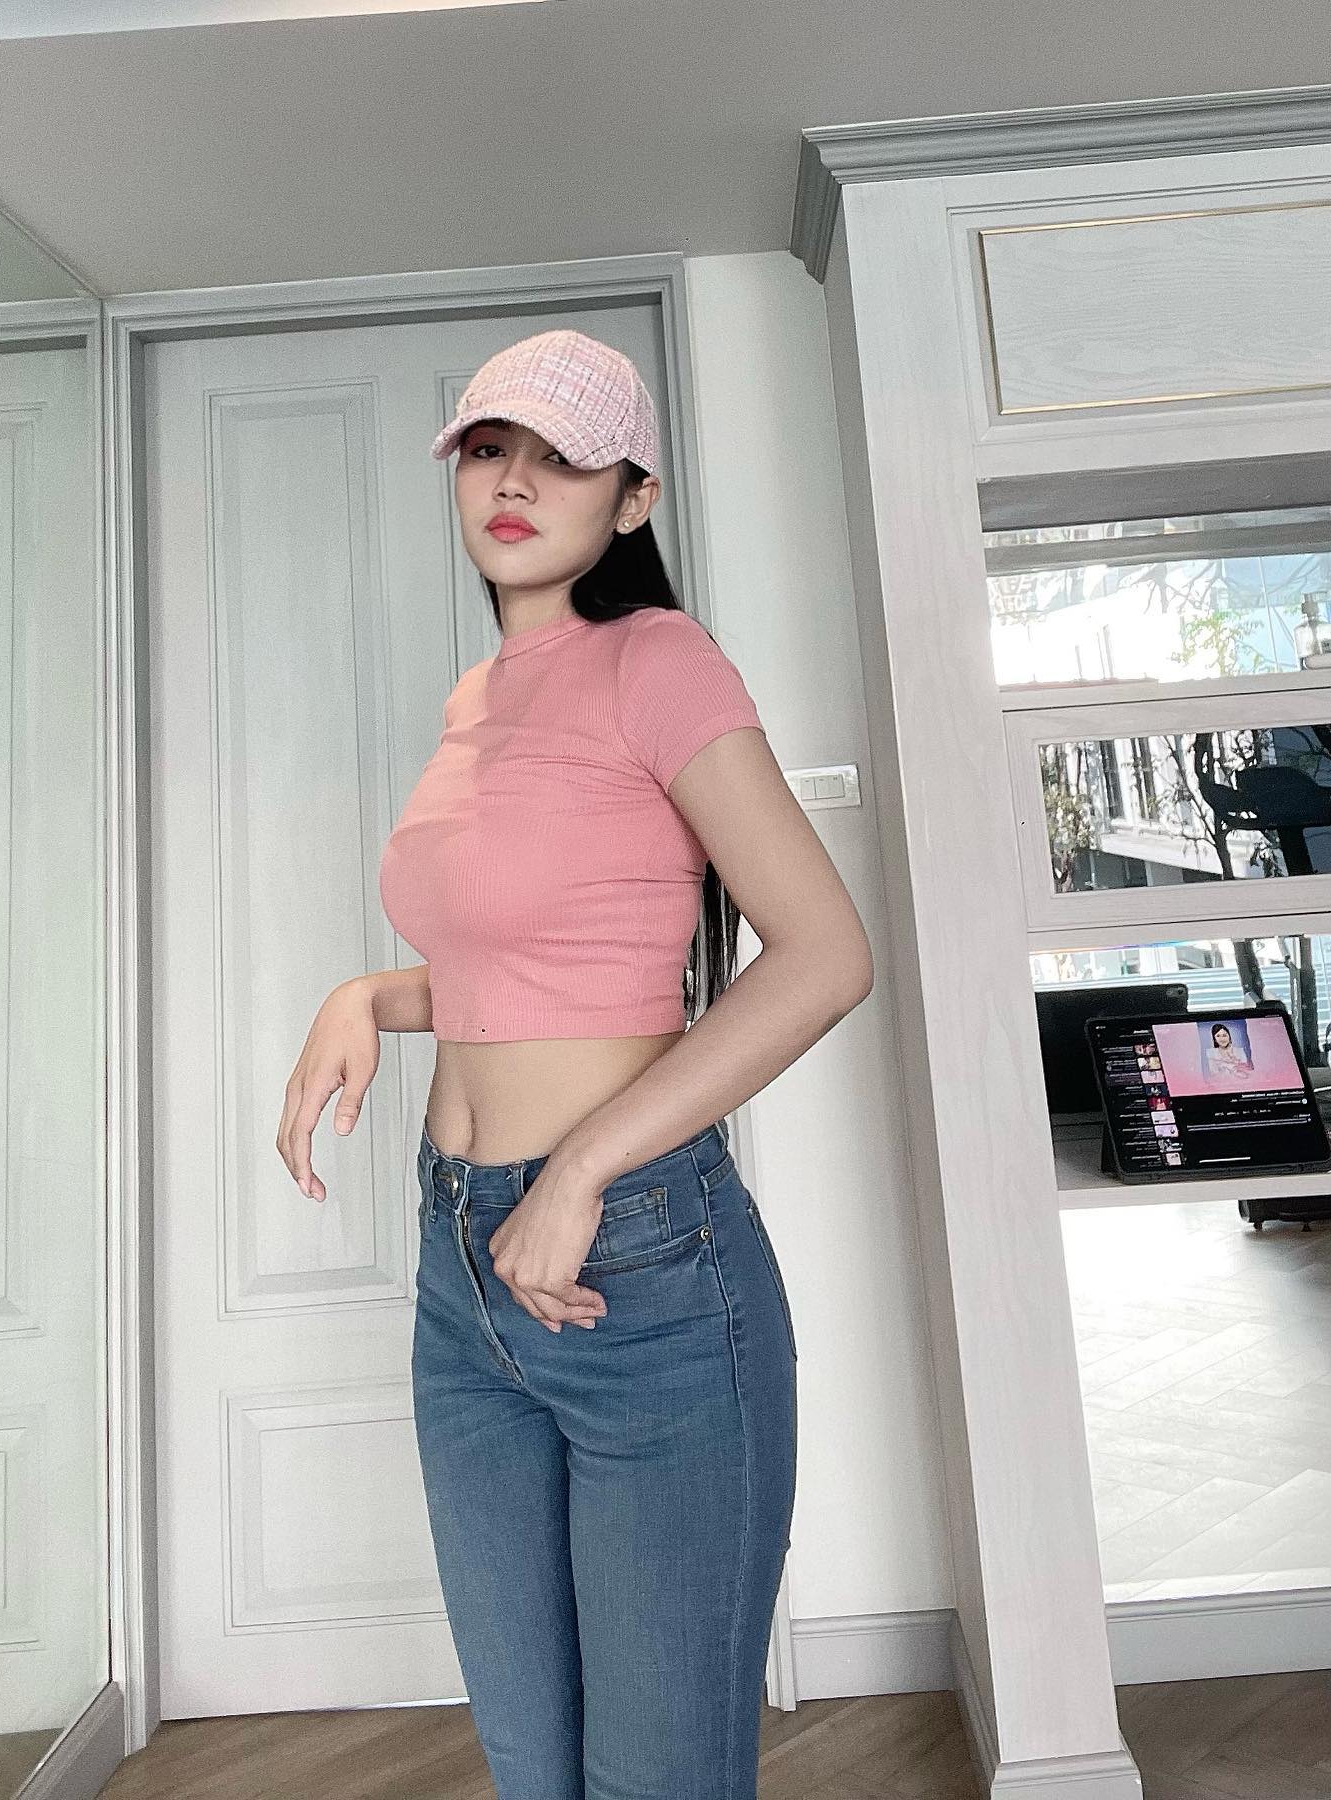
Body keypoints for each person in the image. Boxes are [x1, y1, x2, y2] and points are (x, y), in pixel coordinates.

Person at [276, 327, 873, 1798]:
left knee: (657, 1777)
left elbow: (824, 954)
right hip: (463, 1269)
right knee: (533, 1767)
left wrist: (584, 1168)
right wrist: (369, 993)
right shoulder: (475, 701)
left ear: (634, 496)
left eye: (562, 458)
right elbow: (527, 970)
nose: (515, 483)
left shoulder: (659, 662)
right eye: (491, 450)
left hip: (636, 1264)